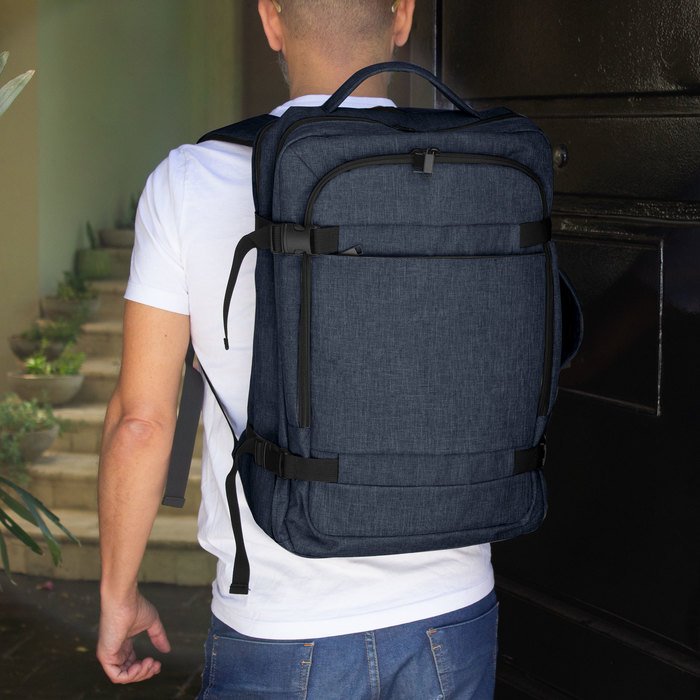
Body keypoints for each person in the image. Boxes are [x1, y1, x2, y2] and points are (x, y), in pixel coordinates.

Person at [97, 1, 499, 697]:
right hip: (452, 605)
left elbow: (142, 422)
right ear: (402, 17)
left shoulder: (191, 181)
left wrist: (116, 595)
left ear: (271, 21)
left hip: (280, 619)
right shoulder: (479, 168)